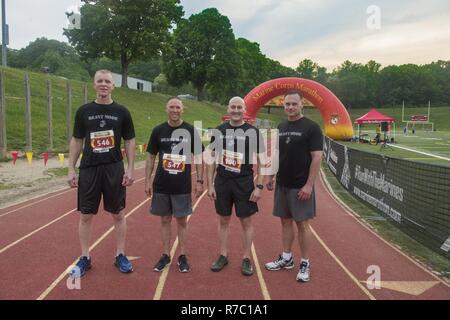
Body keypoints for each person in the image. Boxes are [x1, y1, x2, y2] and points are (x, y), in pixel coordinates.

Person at [68, 69, 136, 277]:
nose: (104, 84)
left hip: (113, 167)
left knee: (118, 213)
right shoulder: (84, 111)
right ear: (94, 84)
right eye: (100, 81)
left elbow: (130, 140)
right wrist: (71, 167)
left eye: (107, 81)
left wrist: (131, 167)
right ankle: (85, 257)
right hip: (89, 168)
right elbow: (77, 140)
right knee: (86, 215)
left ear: (113, 86)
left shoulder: (122, 111)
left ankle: (120, 255)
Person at [265, 90, 323, 283]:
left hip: (300, 186)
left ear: (301, 105)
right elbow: (277, 154)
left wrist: (308, 185)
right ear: (284, 106)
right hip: (283, 183)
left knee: (303, 224)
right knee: (285, 221)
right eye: (287, 104)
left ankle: (305, 262)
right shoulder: (281, 126)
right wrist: (272, 175)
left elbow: (317, 157)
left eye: (294, 104)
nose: (290, 107)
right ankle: (287, 257)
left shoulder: (312, 127)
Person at [206, 96, 265, 276]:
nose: (236, 110)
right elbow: (211, 160)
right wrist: (210, 185)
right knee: (223, 220)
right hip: (222, 181)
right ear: (228, 109)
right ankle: (223, 255)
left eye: (239, 107)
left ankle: (246, 258)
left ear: (244, 109)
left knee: (246, 221)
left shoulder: (253, 132)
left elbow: (263, 162)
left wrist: (259, 186)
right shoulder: (219, 130)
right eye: (233, 107)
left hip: (244, 182)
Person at [145, 96, 204, 273]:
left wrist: (200, 181)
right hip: (162, 184)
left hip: (181, 185)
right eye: (172, 107)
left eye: (178, 107)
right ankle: (165, 254)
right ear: (166, 109)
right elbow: (150, 157)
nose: (175, 110)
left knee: (182, 221)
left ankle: (182, 255)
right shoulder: (158, 131)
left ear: (182, 109)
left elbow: (199, 157)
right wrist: (147, 180)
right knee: (164, 219)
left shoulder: (190, 130)